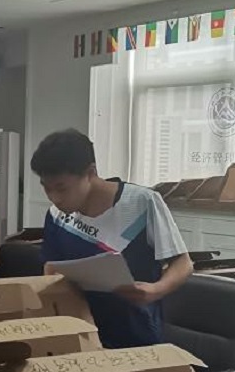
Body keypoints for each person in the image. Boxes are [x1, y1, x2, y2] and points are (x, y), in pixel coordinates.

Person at [32, 128, 192, 349]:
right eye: (47, 189)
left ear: (90, 173)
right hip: (80, 334)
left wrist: (156, 290)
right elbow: (51, 270)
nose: (54, 198)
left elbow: (183, 263)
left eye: (61, 188)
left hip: (135, 335)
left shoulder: (141, 203)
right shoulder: (56, 216)